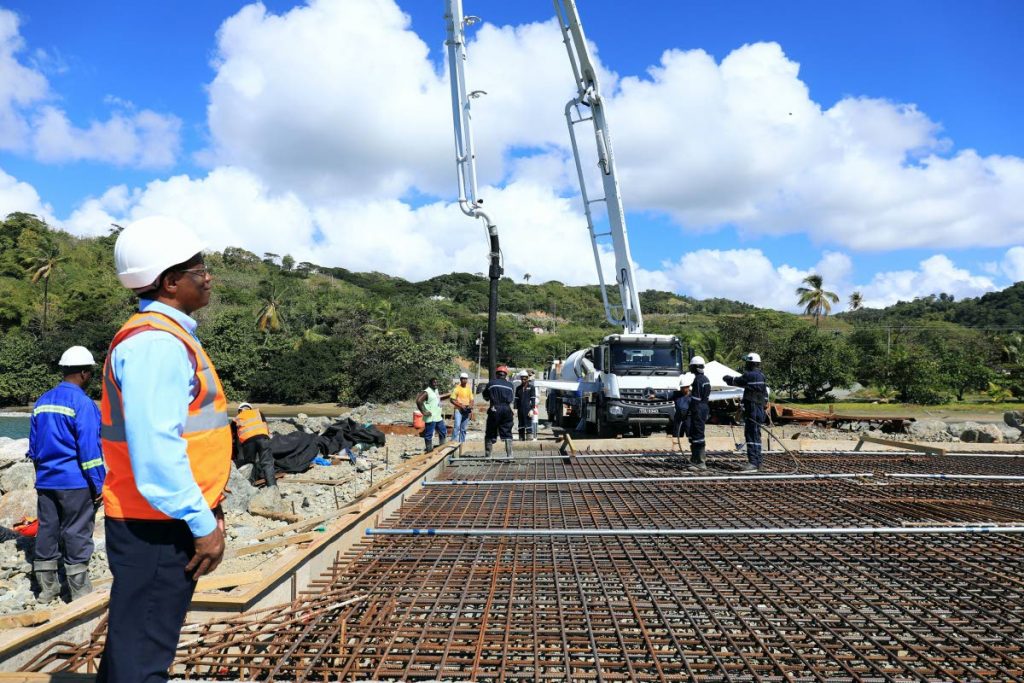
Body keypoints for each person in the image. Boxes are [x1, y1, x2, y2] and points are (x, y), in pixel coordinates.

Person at [96, 216, 231, 683]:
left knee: (133, 647)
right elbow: (157, 453)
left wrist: (211, 509)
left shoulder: (164, 335)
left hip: (156, 516)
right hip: (157, 524)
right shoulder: (157, 343)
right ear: (171, 282)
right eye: (199, 270)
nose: (209, 277)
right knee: (143, 659)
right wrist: (200, 521)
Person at [28, 346, 106, 603]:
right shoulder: (83, 404)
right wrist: (99, 484)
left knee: (47, 529)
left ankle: (46, 590)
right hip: (75, 482)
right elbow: (90, 451)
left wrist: (43, 477)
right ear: (84, 373)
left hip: (47, 480)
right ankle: (79, 592)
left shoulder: (42, 402)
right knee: (76, 531)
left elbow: (34, 447)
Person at [725, 352, 769, 472]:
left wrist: (727, 378)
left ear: (751, 363)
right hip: (758, 409)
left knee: (751, 434)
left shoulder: (750, 375)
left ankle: (753, 463)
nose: (746, 364)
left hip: (753, 409)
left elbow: (736, 381)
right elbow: (765, 395)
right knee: (756, 435)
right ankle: (758, 462)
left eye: (747, 362)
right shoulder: (762, 376)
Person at [233, 403, 276, 487]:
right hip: (263, 438)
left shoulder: (237, 418)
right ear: (250, 408)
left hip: (248, 442)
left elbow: (233, 437)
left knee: (250, 463)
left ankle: (251, 485)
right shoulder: (258, 413)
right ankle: (272, 487)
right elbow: (265, 427)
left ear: (240, 410)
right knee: (267, 463)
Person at [483, 365, 515, 458]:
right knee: (507, 431)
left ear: (497, 374)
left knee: (490, 431)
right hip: (507, 409)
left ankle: (488, 456)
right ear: (505, 375)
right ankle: (509, 456)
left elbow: (485, 397)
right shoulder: (510, 385)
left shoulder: (491, 383)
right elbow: (511, 398)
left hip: (495, 408)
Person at [688, 356, 711, 470]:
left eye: (691, 366)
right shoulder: (706, 379)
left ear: (695, 367)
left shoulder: (698, 380)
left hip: (698, 408)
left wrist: (689, 409)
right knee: (695, 434)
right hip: (704, 406)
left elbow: (695, 399)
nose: (690, 368)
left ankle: (700, 462)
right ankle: (695, 459)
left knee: (697, 434)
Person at [416, 378, 448, 452]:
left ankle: (442, 447)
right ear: (430, 383)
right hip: (431, 417)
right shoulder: (427, 392)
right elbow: (418, 400)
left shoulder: (435, 390)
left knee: (443, 431)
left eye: (437, 382)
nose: (436, 384)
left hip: (437, 416)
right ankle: (429, 450)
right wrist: (424, 411)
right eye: (434, 382)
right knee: (429, 435)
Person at [450, 373, 474, 443]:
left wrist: (471, 405)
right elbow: (452, 400)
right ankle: (453, 442)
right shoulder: (457, 389)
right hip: (459, 410)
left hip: (466, 410)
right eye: (463, 379)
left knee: (463, 428)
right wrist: (461, 406)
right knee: (457, 426)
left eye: (466, 379)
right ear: (460, 379)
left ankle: (462, 443)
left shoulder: (469, 389)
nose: (464, 380)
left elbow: (472, 399)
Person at [515, 370, 538, 441]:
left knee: (528, 424)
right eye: (522, 379)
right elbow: (516, 400)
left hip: (528, 409)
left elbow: (533, 399)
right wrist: (515, 409)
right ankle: (521, 438)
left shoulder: (531, 387)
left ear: (527, 379)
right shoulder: (518, 388)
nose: (523, 380)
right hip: (520, 410)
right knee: (521, 424)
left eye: (525, 379)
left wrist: (532, 409)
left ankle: (529, 439)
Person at [671, 375, 694, 444]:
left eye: (683, 388)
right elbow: (665, 395)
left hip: (689, 418)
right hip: (678, 418)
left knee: (690, 435)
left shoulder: (693, 395)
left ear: (688, 387)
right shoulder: (677, 394)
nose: (682, 389)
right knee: (676, 435)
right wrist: (655, 395)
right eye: (681, 387)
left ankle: (691, 450)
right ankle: (676, 450)